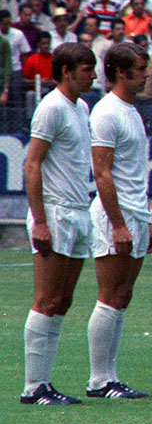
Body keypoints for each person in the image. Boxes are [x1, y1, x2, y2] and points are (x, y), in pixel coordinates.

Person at [21, 44, 96, 405]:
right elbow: (32, 164)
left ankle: (44, 382)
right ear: (67, 72)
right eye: (86, 69)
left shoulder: (81, 108)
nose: (93, 76)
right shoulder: (50, 107)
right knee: (47, 299)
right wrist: (40, 220)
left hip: (78, 210)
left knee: (63, 300)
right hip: (55, 211)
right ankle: (33, 386)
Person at [86, 44, 152, 400]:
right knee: (110, 295)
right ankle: (99, 379)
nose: (147, 75)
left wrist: (145, 221)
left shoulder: (131, 111)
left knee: (123, 295)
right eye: (141, 69)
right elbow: (102, 172)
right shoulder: (107, 112)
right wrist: (118, 223)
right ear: (122, 73)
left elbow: (131, 173)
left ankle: (110, 376)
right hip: (117, 215)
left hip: (134, 213)